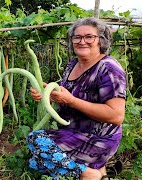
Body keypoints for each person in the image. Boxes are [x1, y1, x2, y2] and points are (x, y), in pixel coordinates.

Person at [27, 17, 126, 179]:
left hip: (99, 138)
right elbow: (67, 91)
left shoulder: (108, 69)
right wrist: (49, 95)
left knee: (36, 140)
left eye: (89, 37)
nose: (82, 41)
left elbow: (116, 116)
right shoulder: (73, 64)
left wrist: (71, 100)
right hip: (74, 132)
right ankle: (100, 172)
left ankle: (89, 174)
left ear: (101, 40)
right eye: (77, 37)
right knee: (35, 160)